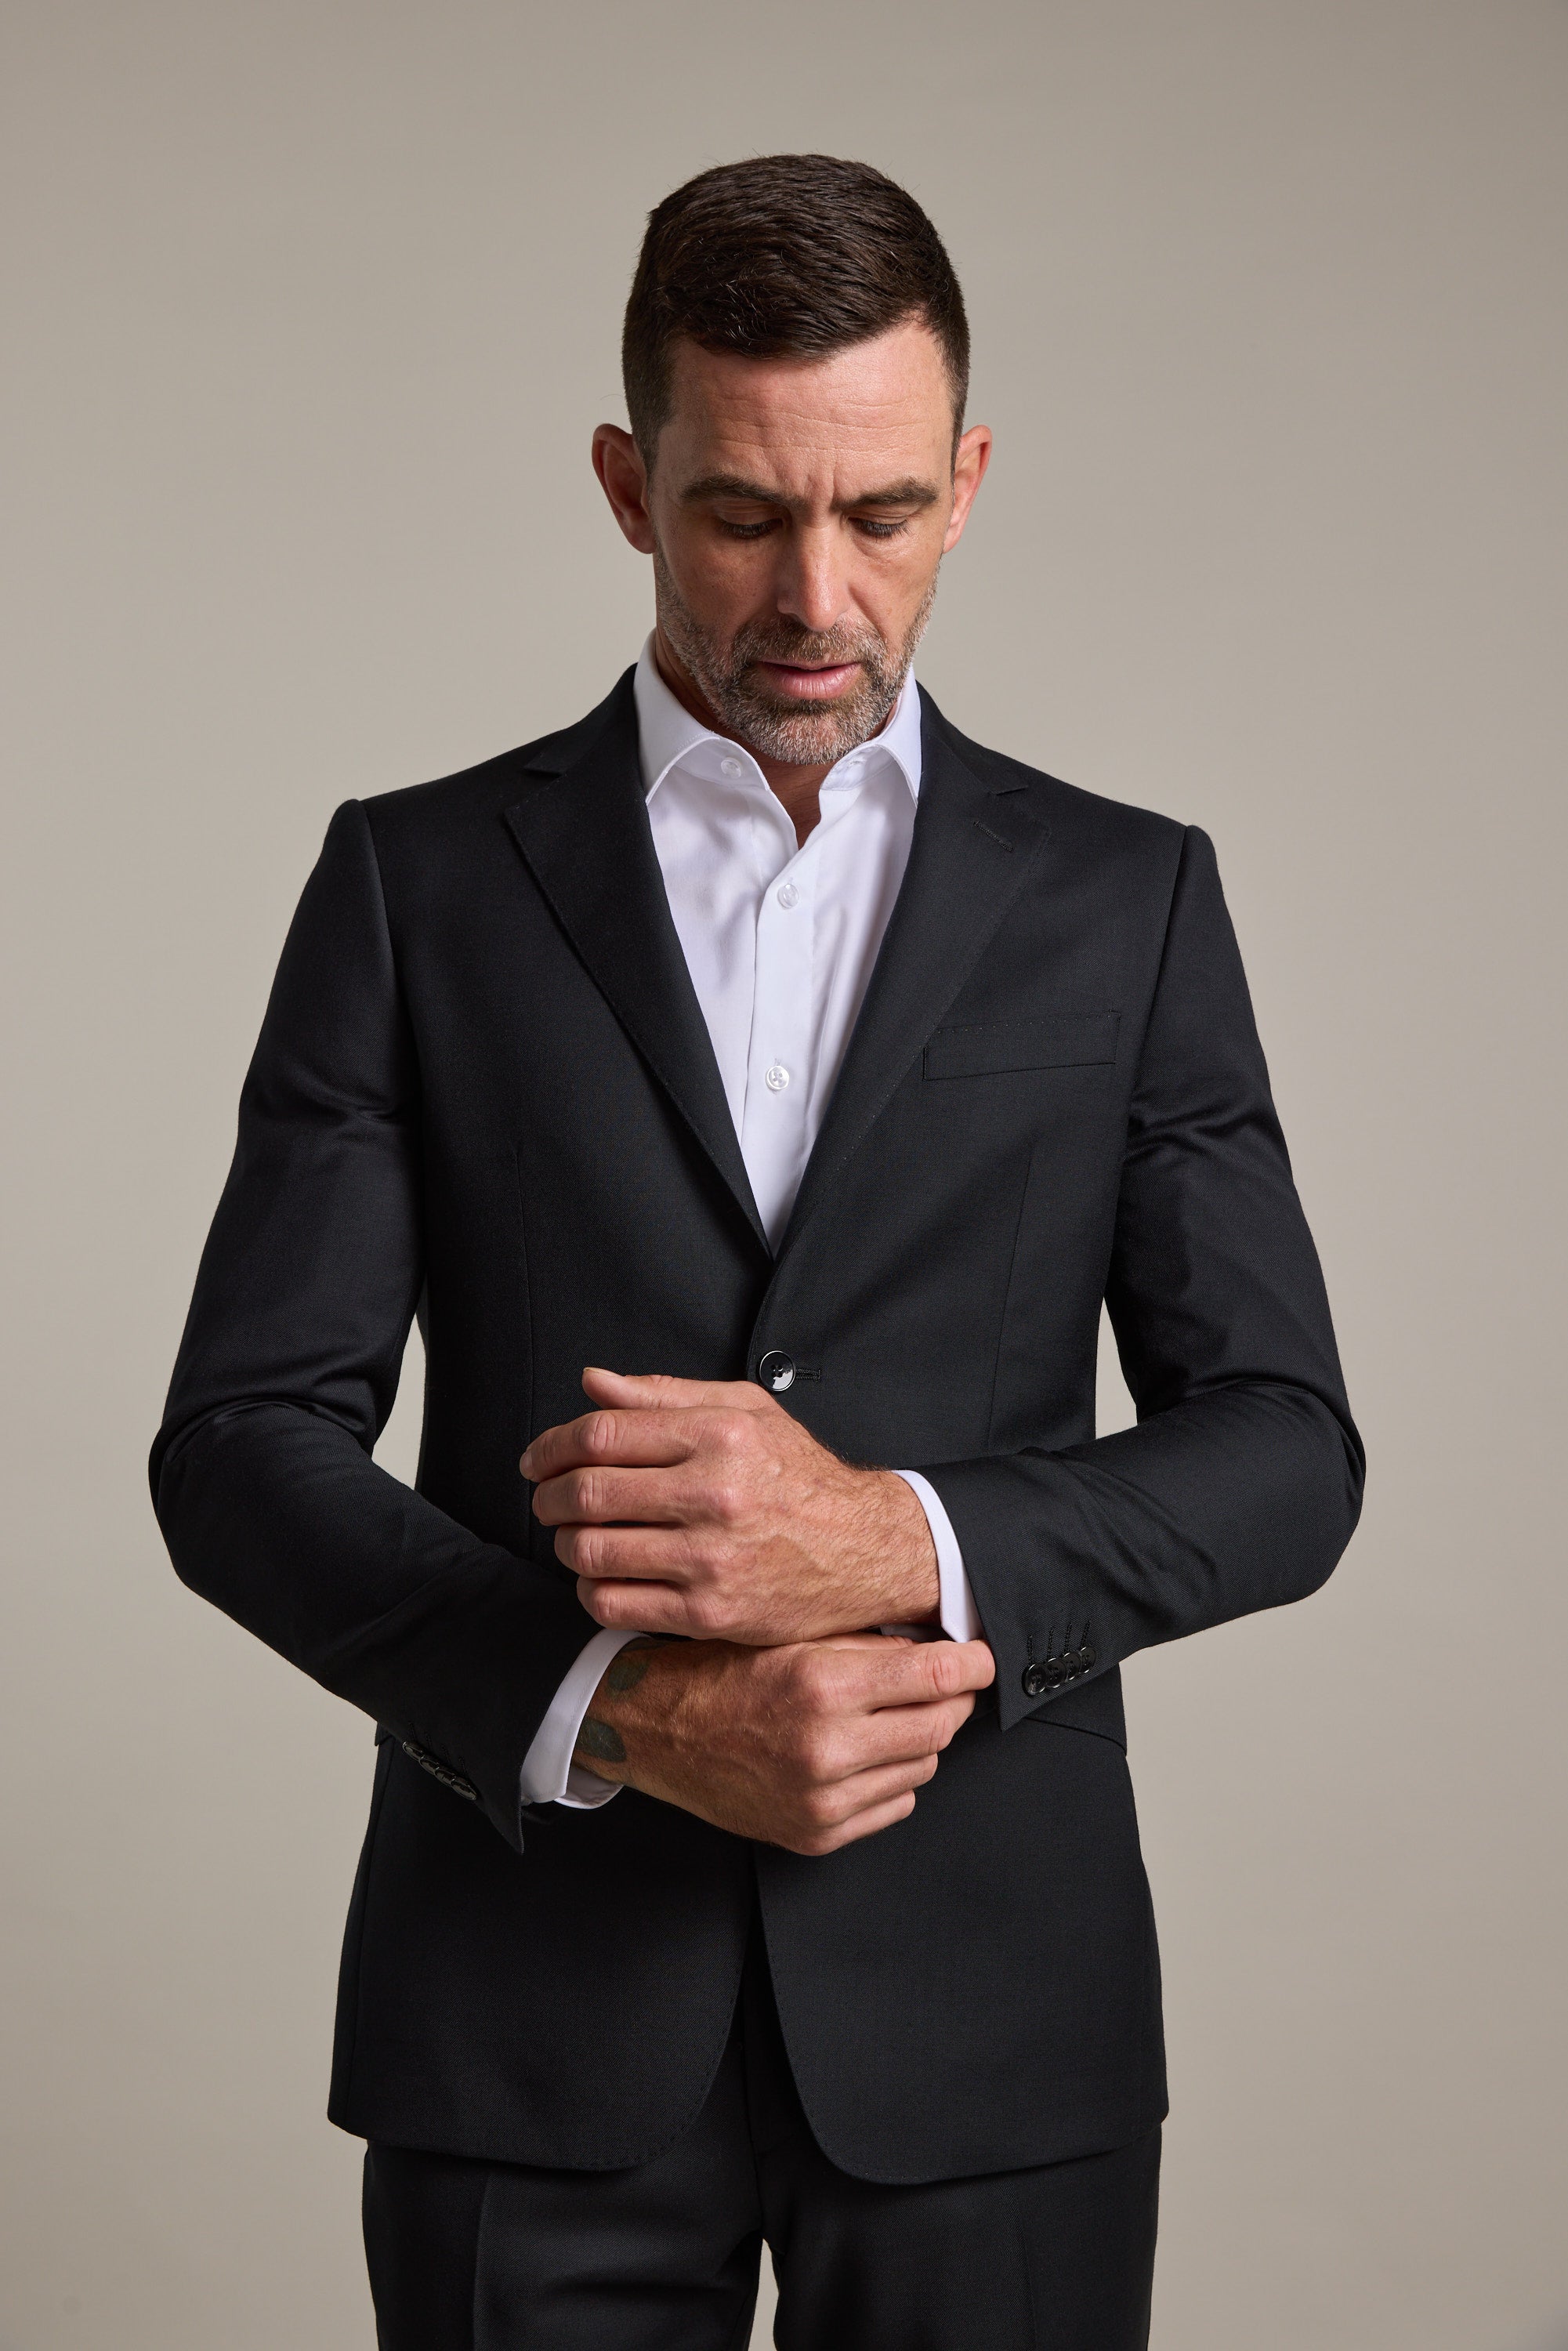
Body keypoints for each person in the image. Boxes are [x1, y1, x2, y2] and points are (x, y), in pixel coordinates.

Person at [151, 153, 1363, 2350]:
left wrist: (889, 1538)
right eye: (741, 513)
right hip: (522, 2018)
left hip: (995, 2019)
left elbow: (1285, 1452)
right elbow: (236, 1445)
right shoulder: (412, 887)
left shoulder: (1128, 901)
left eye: (882, 514)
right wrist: (605, 1706)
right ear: (629, 484)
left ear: (966, 481)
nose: (817, 590)